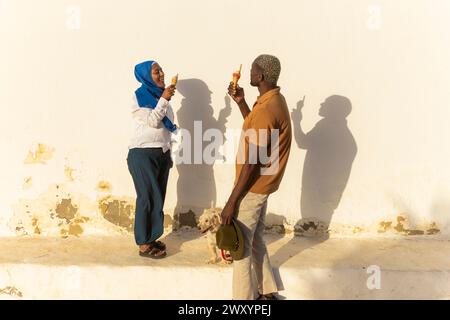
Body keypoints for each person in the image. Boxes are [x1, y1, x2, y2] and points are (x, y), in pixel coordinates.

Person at [223, 54, 292, 300]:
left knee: (239, 248)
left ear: (260, 76)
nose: (249, 73)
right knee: (255, 240)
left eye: (252, 70)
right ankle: (268, 291)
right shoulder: (273, 101)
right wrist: (242, 103)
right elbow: (257, 129)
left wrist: (232, 201)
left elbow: (252, 161)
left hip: (252, 186)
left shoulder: (266, 109)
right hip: (262, 185)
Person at [127, 60, 177, 258]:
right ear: (146, 76)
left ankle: (151, 237)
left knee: (158, 198)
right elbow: (153, 122)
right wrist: (164, 100)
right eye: (156, 72)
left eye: (161, 70)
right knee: (147, 198)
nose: (162, 74)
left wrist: (169, 150)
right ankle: (143, 244)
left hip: (161, 153)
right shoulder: (139, 97)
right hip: (142, 154)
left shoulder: (159, 95)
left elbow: (166, 127)